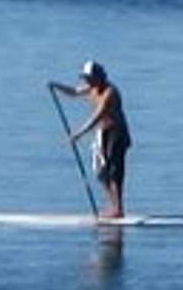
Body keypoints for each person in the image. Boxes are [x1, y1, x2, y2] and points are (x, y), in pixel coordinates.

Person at [49, 60, 130, 219]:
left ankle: (118, 209)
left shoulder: (110, 93)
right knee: (100, 173)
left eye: (89, 78)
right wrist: (56, 86)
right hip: (102, 133)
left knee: (114, 172)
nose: (87, 81)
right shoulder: (91, 88)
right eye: (86, 78)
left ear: (99, 76)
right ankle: (113, 206)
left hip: (116, 134)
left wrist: (78, 134)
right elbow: (73, 92)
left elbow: (97, 117)